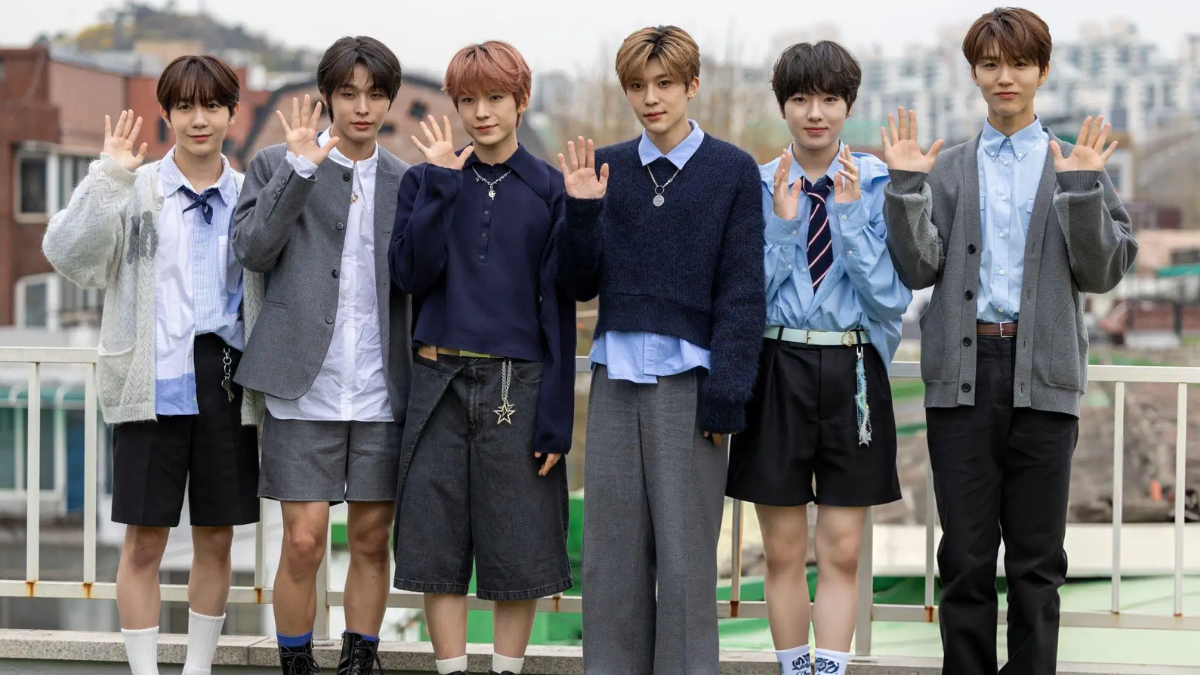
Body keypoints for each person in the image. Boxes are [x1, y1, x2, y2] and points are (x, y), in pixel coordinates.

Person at [881, 8, 1137, 675]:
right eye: (991, 63)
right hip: (962, 378)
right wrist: (905, 188)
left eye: (1020, 63)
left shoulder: (1076, 164)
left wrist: (1082, 187)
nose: (1005, 77)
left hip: (1044, 375)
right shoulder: (949, 168)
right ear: (973, 72)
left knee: (1037, 563)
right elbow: (918, 268)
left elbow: (1103, 272)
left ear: (1042, 72)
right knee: (965, 560)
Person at [554, 25, 765, 675]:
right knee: (610, 559)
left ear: (692, 85)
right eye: (638, 86)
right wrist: (581, 212)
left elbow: (742, 290)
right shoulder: (605, 167)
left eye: (665, 84)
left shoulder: (732, 170)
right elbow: (576, 283)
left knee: (685, 562)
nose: (651, 98)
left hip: (692, 388)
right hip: (614, 381)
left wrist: (728, 393)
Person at [43, 55, 259, 675]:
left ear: (232, 113)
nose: (199, 119)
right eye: (185, 106)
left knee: (217, 535)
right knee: (143, 540)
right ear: (166, 114)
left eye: (211, 105)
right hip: (151, 378)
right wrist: (107, 175)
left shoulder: (249, 194)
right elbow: (65, 253)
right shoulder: (135, 188)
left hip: (225, 378)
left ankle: (197, 669)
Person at [388, 40, 576, 675]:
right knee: (435, 548)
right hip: (437, 377)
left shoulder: (550, 189)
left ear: (521, 100)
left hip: (516, 384)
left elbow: (559, 308)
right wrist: (442, 184)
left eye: (496, 97)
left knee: (518, 548)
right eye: (467, 100)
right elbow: (411, 275)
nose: (481, 112)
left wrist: (556, 418)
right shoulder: (424, 180)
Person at [726, 40, 911, 675]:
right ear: (783, 106)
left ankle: (827, 670)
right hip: (776, 367)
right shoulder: (756, 185)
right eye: (801, 98)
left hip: (853, 369)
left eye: (830, 99)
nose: (815, 113)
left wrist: (852, 221)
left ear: (848, 106)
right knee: (781, 552)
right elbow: (745, 298)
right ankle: (792, 668)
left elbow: (891, 299)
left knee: (842, 550)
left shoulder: (879, 183)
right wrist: (783, 228)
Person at [231, 36, 410, 675]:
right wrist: (300, 171)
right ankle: (296, 663)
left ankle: (360, 662)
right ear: (328, 95)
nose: (362, 107)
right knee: (303, 542)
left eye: (375, 95)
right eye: (348, 93)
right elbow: (252, 249)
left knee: (371, 539)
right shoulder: (276, 163)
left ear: (389, 100)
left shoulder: (406, 180)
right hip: (301, 384)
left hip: (380, 387)